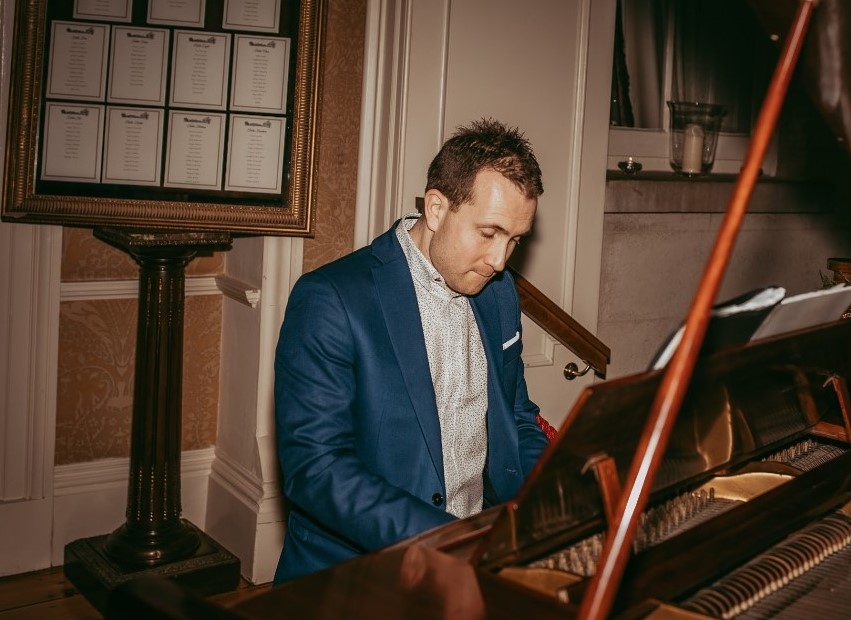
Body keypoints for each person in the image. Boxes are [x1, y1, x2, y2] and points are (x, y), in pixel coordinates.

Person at [273, 118, 548, 584]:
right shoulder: (331, 300)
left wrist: (557, 499)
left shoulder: (500, 294)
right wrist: (451, 542)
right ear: (437, 208)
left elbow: (516, 418)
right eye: (488, 233)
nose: (500, 261)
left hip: (475, 560)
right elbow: (318, 471)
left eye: (514, 240)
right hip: (359, 574)